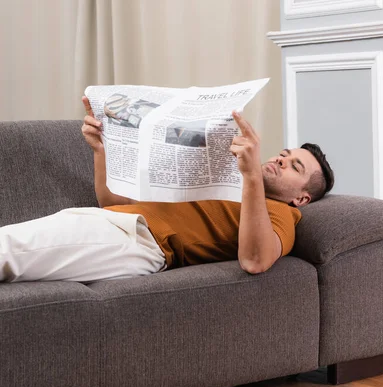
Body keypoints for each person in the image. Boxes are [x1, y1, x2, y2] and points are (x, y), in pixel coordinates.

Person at [0, 97, 334, 283]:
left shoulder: (281, 214)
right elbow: (111, 202)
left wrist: (249, 179)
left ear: (301, 198)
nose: (280, 160)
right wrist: (101, 150)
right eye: (284, 154)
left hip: (144, 240)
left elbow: (256, 261)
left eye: (294, 167)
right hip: (117, 222)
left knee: (9, 249)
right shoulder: (222, 180)